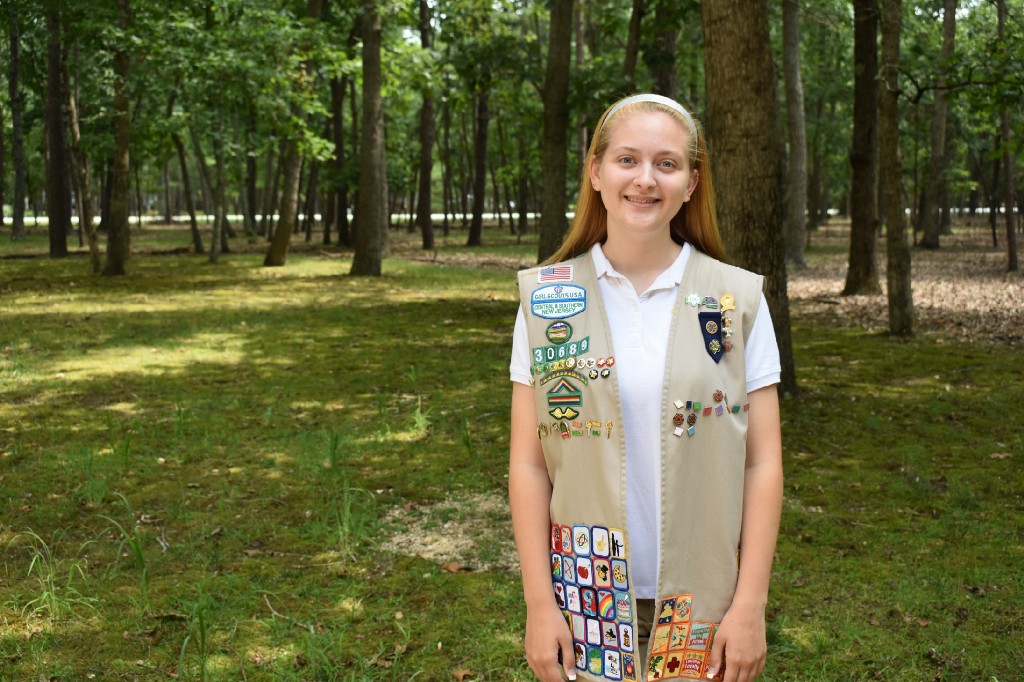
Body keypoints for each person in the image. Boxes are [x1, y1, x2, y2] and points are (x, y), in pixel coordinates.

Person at [508, 94, 783, 682]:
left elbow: (761, 463)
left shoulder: (737, 302)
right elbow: (529, 466)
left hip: (705, 602)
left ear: (691, 182)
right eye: (627, 159)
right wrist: (538, 604)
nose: (645, 179)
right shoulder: (547, 299)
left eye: (666, 163)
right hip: (584, 601)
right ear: (596, 171)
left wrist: (751, 605)